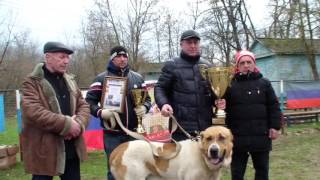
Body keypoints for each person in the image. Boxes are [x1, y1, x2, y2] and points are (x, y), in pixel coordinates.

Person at [21, 42, 90, 180]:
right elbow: (33, 111)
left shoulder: (70, 80)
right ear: (48, 57)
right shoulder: (32, 82)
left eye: (68, 58)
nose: (66, 61)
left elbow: (84, 106)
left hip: (71, 148)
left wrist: (78, 124)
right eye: (62, 57)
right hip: (44, 150)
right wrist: (67, 125)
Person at [85, 45, 152, 180]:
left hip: (135, 133)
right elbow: (88, 103)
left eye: (124, 56)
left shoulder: (138, 78)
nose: (122, 59)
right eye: (118, 56)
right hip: (113, 134)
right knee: (115, 169)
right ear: (112, 59)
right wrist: (100, 112)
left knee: (137, 169)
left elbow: (148, 99)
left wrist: (145, 107)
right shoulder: (100, 79)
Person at [154, 29, 223, 141]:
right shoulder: (172, 65)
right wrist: (164, 104)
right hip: (182, 128)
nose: (193, 45)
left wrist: (218, 101)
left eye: (195, 42)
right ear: (181, 44)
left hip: (206, 127)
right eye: (189, 42)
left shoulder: (208, 66)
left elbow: (214, 91)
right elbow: (160, 88)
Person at [224, 49, 281, 180]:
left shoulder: (265, 83)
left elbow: (274, 106)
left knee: (262, 171)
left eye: (249, 62)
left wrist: (275, 126)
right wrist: (220, 103)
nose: (246, 65)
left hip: (261, 135)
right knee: (237, 173)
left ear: (254, 64)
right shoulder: (229, 84)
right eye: (242, 62)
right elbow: (222, 108)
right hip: (237, 137)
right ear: (237, 66)